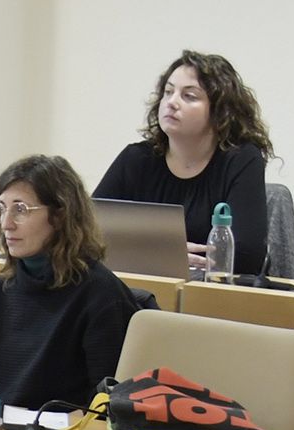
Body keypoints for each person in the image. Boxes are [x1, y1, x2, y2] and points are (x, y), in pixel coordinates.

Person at [0, 155, 142, 413]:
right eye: (1, 209)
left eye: (20, 209)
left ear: (59, 215)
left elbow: (106, 404)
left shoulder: (101, 296)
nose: (6, 223)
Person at [94, 51, 272, 279]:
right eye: (168, 92)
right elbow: (85, 232)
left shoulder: (241, 160)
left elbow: (247, 255)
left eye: (189, 96)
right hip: (139, 289)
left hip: (208, 297)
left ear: (220, 111)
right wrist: (161, 256)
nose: (171, 102)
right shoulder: (136, 159)